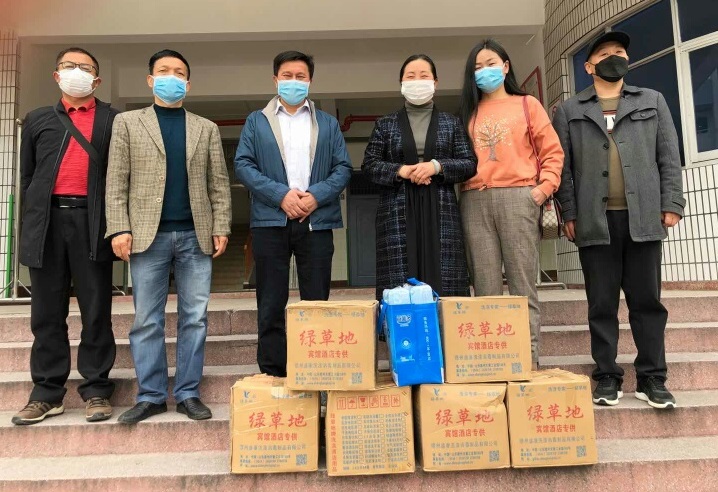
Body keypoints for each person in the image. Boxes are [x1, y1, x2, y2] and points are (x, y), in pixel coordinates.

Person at [554, 31, 685, 409]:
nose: (614, 57)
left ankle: (652, 378)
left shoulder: (652, 101)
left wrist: (671, 202)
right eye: (605, 54)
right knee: (601, 304)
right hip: (595, 220)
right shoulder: (570, 110)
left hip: (643, 216)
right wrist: (570, 213)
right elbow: (564, 170)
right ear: (588, 66)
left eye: (620, 52)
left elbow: (668, 155)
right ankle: (607, 376)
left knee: (647, 302)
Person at [106, 49, 232, 423]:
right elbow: (116, 180)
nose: (171, 77)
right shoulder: (128, 123)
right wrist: (119, 227)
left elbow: (218, 182)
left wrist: (221, 225)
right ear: (150, 80)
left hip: (195, 234)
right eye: (163, 71)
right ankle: (151, 395)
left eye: (179, 72)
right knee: (147, 319)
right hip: (148, 235)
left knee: (195, 317)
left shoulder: (205, 128)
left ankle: (189, 392)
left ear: (188, 84)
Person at [12, 47, 119, 425]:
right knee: (46, 313)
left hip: (93, 221)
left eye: (85, 67)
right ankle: (46, 392)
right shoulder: (38, 119)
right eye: (69, 66)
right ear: (57, 75)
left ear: (97, 80)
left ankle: (97, 389)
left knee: (96, 309)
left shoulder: (113, 120)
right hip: (47, 223)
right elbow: (28, 178)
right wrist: (31, 223)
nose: (77, 72)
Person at [235, 51, 352, 377]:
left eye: (300, 76)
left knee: (316, 303)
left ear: (310, 80)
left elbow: (343, 168)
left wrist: (316, 196)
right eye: (287, 76)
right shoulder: (256, 121)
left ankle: (315, 370)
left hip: (316, 222)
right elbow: (243, 165)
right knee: (270, 303)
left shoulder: (327, 123)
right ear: (275, 79)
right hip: (270, 222)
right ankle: (273, 372)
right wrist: (280, 195)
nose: (294, 82)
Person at [458, 39, 564, 369]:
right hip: (474, 200)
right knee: (485, 287)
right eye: (477, 67)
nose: (484, 71)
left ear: (505, 67)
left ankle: (528, 362)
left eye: (490, 64)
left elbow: (552, 151)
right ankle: (494, 362)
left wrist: (543, 189)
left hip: (520, 196)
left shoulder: (527, 104)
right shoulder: (469, 112)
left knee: (522, 286)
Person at [362, 54, 476, 299]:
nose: (417, 81)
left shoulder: (451, 123)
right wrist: (401, 170)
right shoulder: (385, 124)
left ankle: (445, 322)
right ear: (401, 83)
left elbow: (469, 164)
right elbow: (370, 165)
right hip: (397, 210)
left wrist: (436, 167)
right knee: (398, 281)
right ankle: (400, 323)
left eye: (424, 76)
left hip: (441, 209)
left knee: (446, 280)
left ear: (435, 82)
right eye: (410, 76)